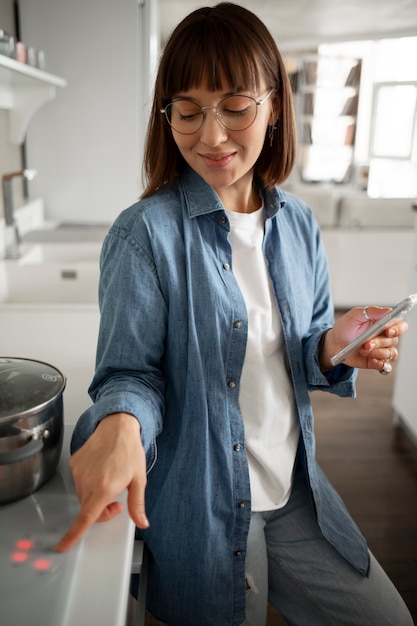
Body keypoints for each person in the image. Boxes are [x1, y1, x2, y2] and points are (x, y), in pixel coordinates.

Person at [55, 4, 414, 625]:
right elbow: (128, 376)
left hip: (296, 491)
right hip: (202, 503)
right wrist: (120, 424)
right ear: (165, 116)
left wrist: (334, 346)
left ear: (274, 106)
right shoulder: (144, 236)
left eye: (236, 107)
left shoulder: (298, 225)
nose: (211, 136)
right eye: (187, 112)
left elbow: (299, 352)